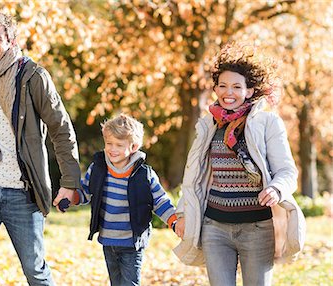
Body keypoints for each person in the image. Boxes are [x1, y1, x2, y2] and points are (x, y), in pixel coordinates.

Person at [0, 11, 80, 285]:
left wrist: (69, 182)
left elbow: (61, 130)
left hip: (23, 191)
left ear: (12, 40)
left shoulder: (33, 77)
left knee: (35, 271)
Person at [173, 42, 306, 286]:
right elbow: (196, 177)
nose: (228, 92)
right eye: (222, 86)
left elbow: (287, 170)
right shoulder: (208, 125)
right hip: (215, 228)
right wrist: (181, 213)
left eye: (236, 86)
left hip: (257, 228)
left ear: (249, 91)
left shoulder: (267, 123)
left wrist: (276, 189)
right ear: (214, 89)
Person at [57, 113, 178, 285]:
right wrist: (71, 198)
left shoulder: (144, 175)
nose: (112, 149)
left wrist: (174, 221)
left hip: (131, 243)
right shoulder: (98, 169)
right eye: (109, 143)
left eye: (119, 145)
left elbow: (160, 202)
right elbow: (85, 191)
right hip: (108, 240)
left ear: (134, 147)